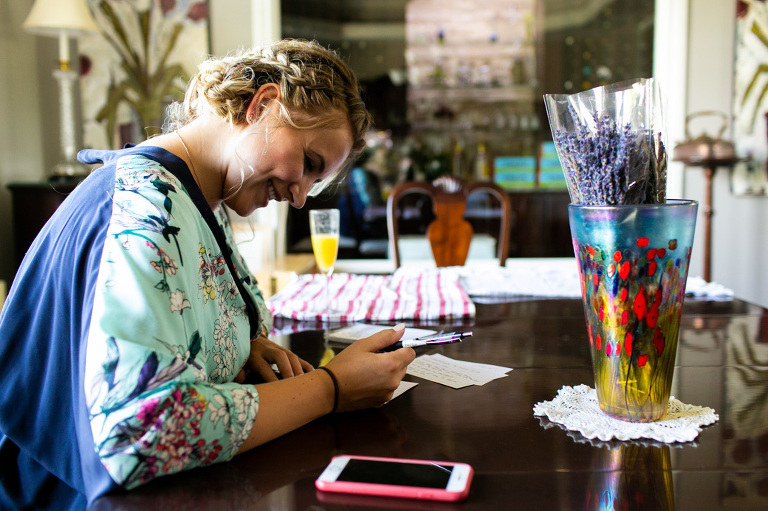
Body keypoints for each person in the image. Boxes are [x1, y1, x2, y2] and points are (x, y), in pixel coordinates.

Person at [0, 39, 415, 508]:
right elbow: (139, 437)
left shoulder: (199, 197)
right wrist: (332, 387)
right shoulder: (147, 211)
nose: (299, 197)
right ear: (263, 106)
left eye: (314, 182)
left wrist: (240, 342)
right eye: (309, 164)